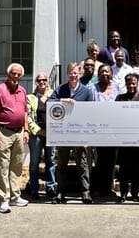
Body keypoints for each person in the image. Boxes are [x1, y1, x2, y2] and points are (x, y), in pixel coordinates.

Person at [0, 63, 30, 213]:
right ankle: (3, 199)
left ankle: (15, 196)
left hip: (19, 133)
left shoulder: (22, 91)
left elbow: (25, 113)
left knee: (17, 166)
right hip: (3, 132)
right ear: (8, 74)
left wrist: (26, 131)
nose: (16, 77)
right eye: (13, 73)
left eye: (18, 74)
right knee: (2, 166)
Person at [49, 62, 94, 204]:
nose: (73, 76)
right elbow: (50, 101)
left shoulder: (86, 92)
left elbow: (90, 114)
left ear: (79, 74)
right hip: (64, 134)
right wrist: (63, 100)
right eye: (71, 73)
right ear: (67, 74)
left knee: (83, 164)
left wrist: (87, 137)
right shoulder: (61, 89)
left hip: (80, 133)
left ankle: (85, 193)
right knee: (62, 164)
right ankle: (60, 193)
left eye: (76, 73)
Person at [115, 73, 139, 203]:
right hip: (123, 140)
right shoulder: (120, 98)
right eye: (129, 83)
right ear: (126, 84)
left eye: (134, 83)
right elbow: (115, 116)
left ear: (137, 83)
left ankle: (134, 193)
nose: (131, 86)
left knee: (136, 169)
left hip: (137, 140)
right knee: (123, 169)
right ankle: (123, 193)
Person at [91, 64, 121, 199]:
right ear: (98, 74)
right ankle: (96, 188)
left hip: (114, 130)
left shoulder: (117, 88)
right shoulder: (93, 89)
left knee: (111, 161)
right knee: (99, 161)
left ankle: (108, 188)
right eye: (102, 71)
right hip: (98, 130)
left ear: (111, 74)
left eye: (107, 71)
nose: (104, 74)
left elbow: (122, 106)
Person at [27, 73, 56, 199]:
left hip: (52, 133)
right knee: (34, 162)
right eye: (39, 80)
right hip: (36, 134)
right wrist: (38, 130)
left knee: (51, 161)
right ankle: (34, 189)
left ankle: (50, 188)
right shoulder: (30, 98)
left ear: (48, 81)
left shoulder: (54, 96)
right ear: (36, 82)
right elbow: (27, 116)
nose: (42, 82)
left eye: (44, 80)